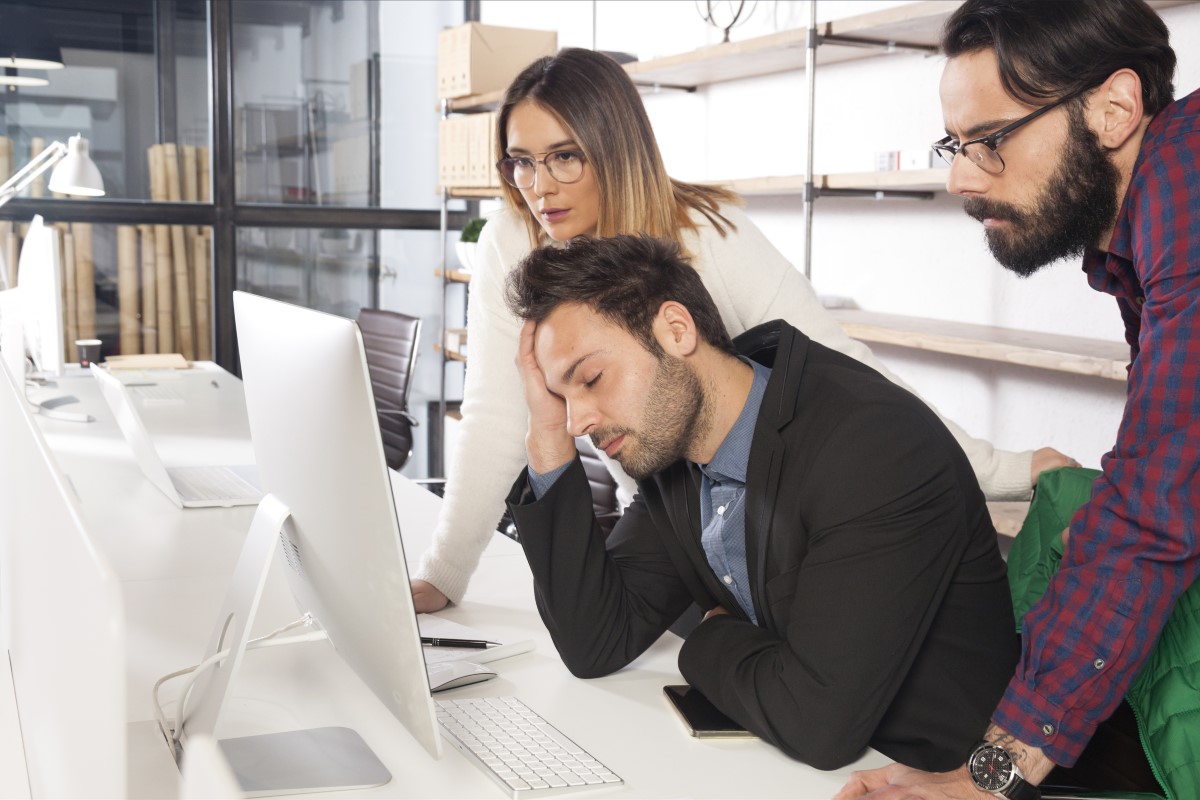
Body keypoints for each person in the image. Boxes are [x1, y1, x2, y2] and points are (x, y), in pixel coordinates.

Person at [411, 47, 1073, 614]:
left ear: (614, 149)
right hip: (659, 524)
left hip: (769, 523)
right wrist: (443, 576)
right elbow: (496, 415)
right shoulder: (513, 239)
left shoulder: (705, 234)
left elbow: (844, 369)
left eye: (564, 157)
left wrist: (1005, 469)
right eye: (520, 162)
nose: (538, 186)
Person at [837, 1, 1197, 797]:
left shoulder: (1192, 195)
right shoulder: (1149, 216)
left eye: (991, 142)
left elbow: (1156, 512)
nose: (962, 178)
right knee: (1074, 510)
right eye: (957, 146)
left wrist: (988, 778)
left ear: (1113, 109)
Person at [500, 233, 1019, 770]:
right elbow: (596, 640)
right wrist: (545, 437)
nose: (578, 421)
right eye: (562, 397)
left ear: (676, 331)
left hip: (924, 773)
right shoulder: (674, 449)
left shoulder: (871, 443)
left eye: (590, 378)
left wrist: (708, 639)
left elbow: (817, 722)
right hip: (781, 765)